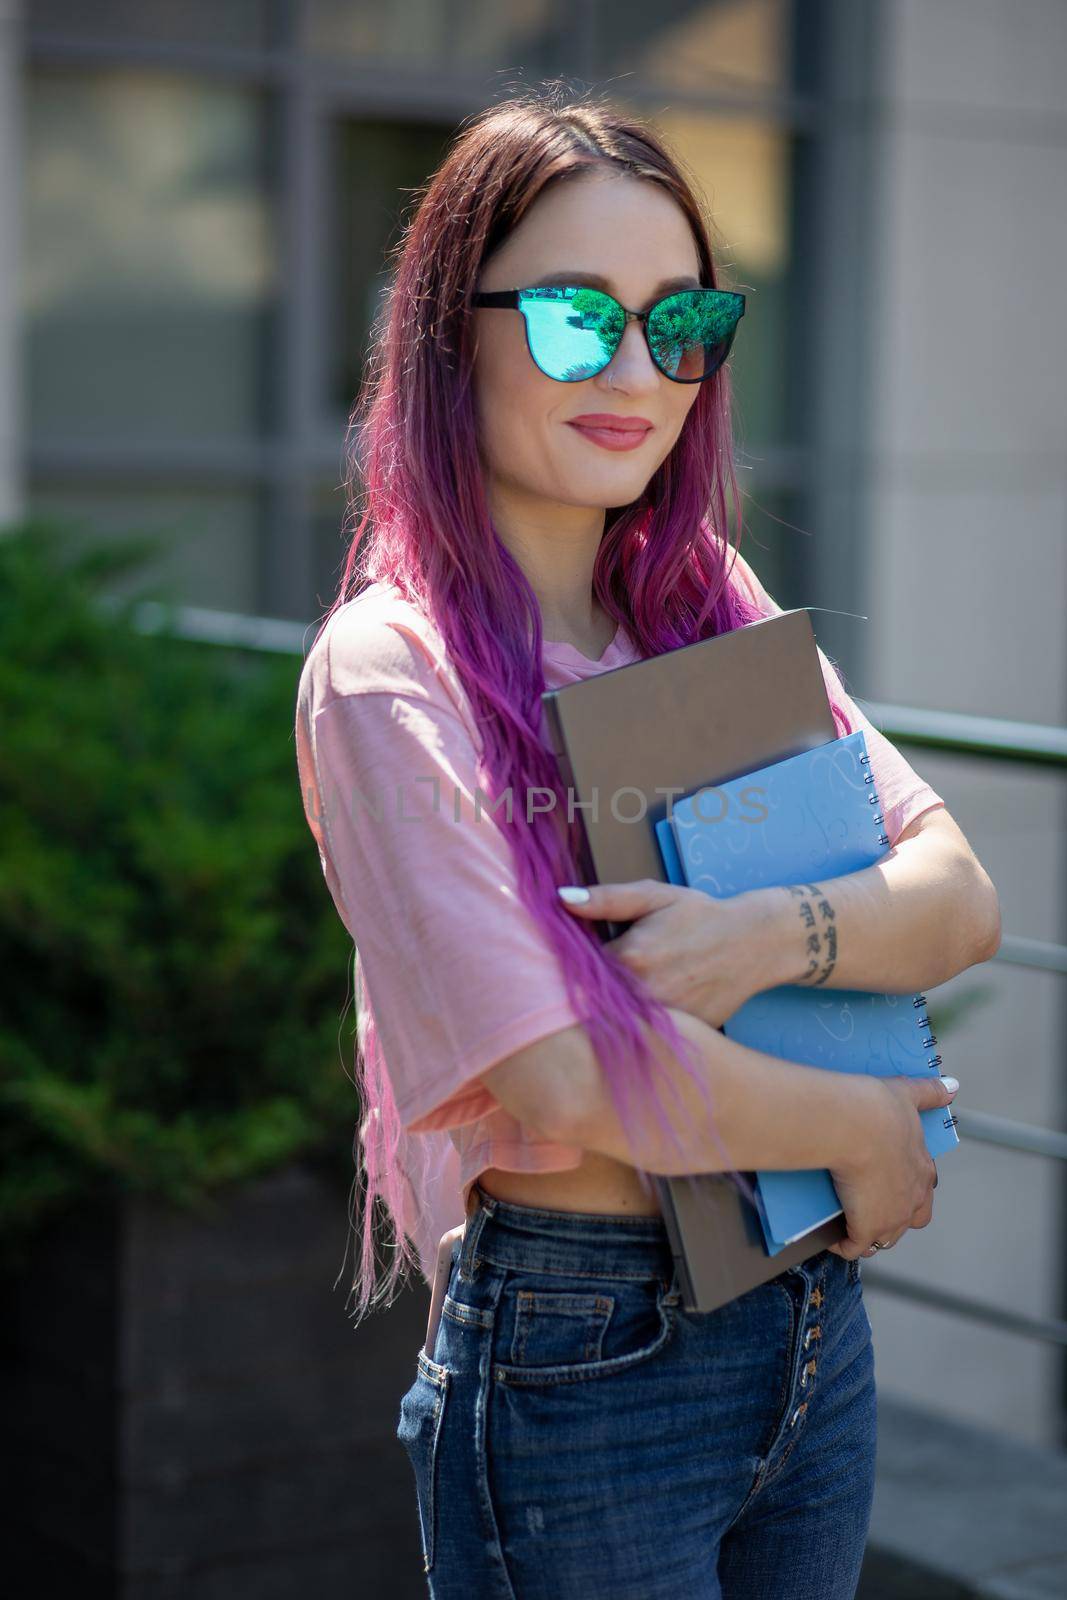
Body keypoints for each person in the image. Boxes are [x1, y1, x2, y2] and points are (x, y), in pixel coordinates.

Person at [294, 87, 1001, 1600]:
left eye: (677, 321)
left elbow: (956, 891)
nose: (636, 369)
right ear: (447, 330)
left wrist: (763, 938)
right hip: (584, 1351)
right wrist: (854, 1125)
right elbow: (553, 1073)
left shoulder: (705, 601)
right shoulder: (389, 665)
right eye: (571, 319)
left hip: (806, 1315)